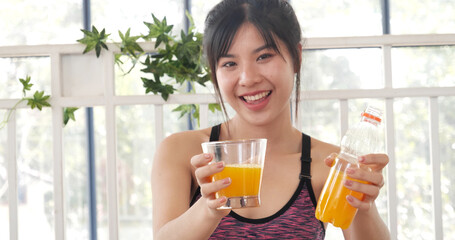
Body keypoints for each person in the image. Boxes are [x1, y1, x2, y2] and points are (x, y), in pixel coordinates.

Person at [152, 0, 391, 239]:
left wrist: (364, 204)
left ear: (296, 57)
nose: (248, 78)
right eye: (230, 63)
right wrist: (208, 208)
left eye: (264, 56)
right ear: (215, 72)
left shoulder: (329, 164)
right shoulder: (183, 152)